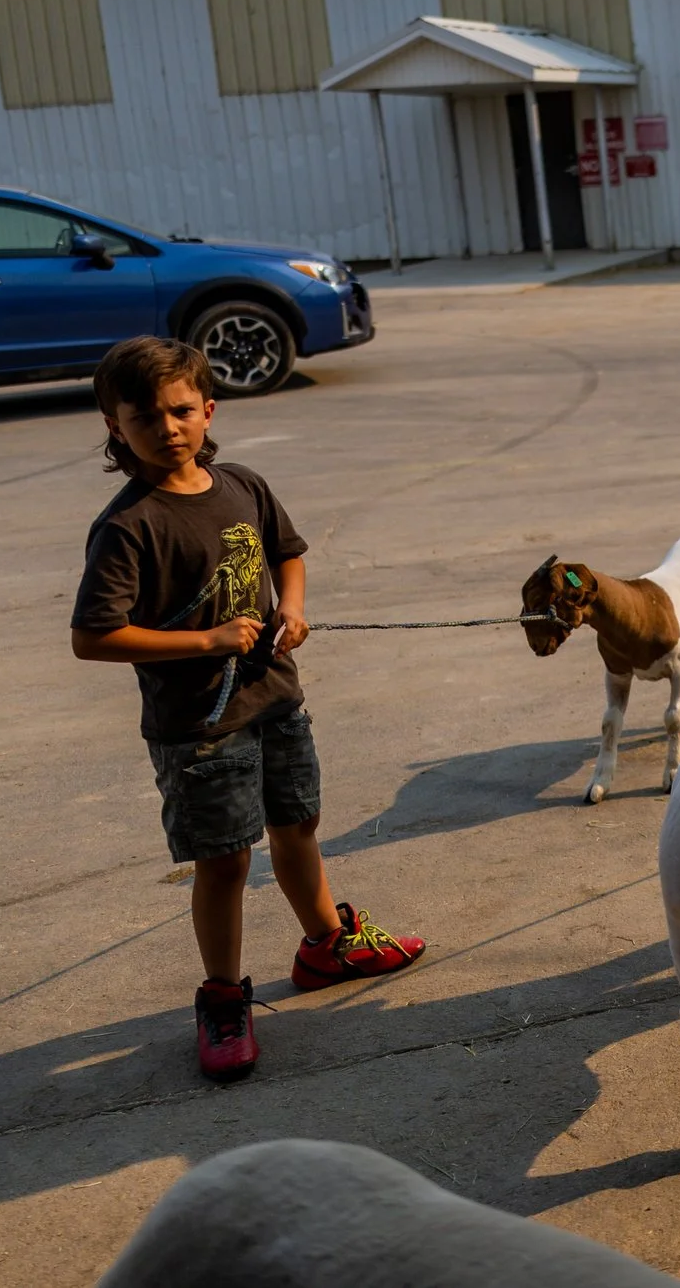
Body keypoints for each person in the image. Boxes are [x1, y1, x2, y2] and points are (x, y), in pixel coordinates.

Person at [72, 337, 423, 1081]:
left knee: (298, 823)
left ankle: (325, 944)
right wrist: (205, 636)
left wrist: (292, 608)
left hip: (275, 696)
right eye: (144, 417)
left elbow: (285, 550)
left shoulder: (242, 484)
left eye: (180, 410)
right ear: (113, 424)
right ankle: (224, 996)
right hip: (197, 724)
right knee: (225, 858)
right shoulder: (128, 524)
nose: (167, 428)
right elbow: (93, 634)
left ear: (208, 408)